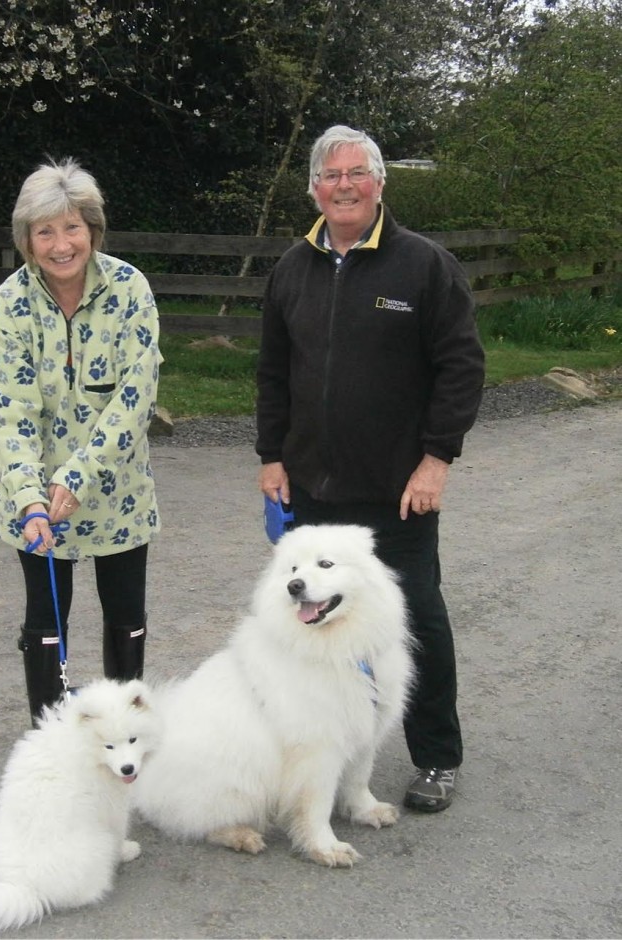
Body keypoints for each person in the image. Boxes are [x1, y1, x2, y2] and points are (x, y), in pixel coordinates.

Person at [256, 125, 485, 812]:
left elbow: (461, 367)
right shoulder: (291, 269)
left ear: (380, 183)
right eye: (331, 176)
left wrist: (436, 459)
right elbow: (273, 372)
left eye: (358, 172)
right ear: (314, 190)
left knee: (415, 619)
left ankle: (437, 757)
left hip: (398, 491)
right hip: (313, 490)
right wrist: (271, 455)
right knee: (313, 624)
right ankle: (320, 756)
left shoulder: (424, 265)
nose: (345, 186)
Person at [0, 157, 163, 726]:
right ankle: (51, 739)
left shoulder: (131, 289)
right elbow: (9, 414)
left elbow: (135, 399)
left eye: (72, 227)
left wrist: (79, 476)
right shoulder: (7, 305)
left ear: (93, 229)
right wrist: (30, 496)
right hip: (34, 498)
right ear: (27, 240)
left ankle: (125, 733)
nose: (61, 245)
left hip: (117, 491)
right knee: (46, 618)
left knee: (126, 613)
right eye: (45, 232)